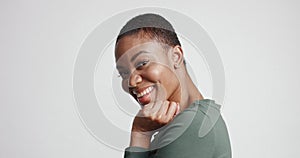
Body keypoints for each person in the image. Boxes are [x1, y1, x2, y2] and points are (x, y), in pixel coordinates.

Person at [114, 13, 231, 158]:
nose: (131, 82)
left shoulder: (193, 126)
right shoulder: (185, 123)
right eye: (124, 74)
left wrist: (140, 135)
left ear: (176, 56)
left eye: (142, 63)